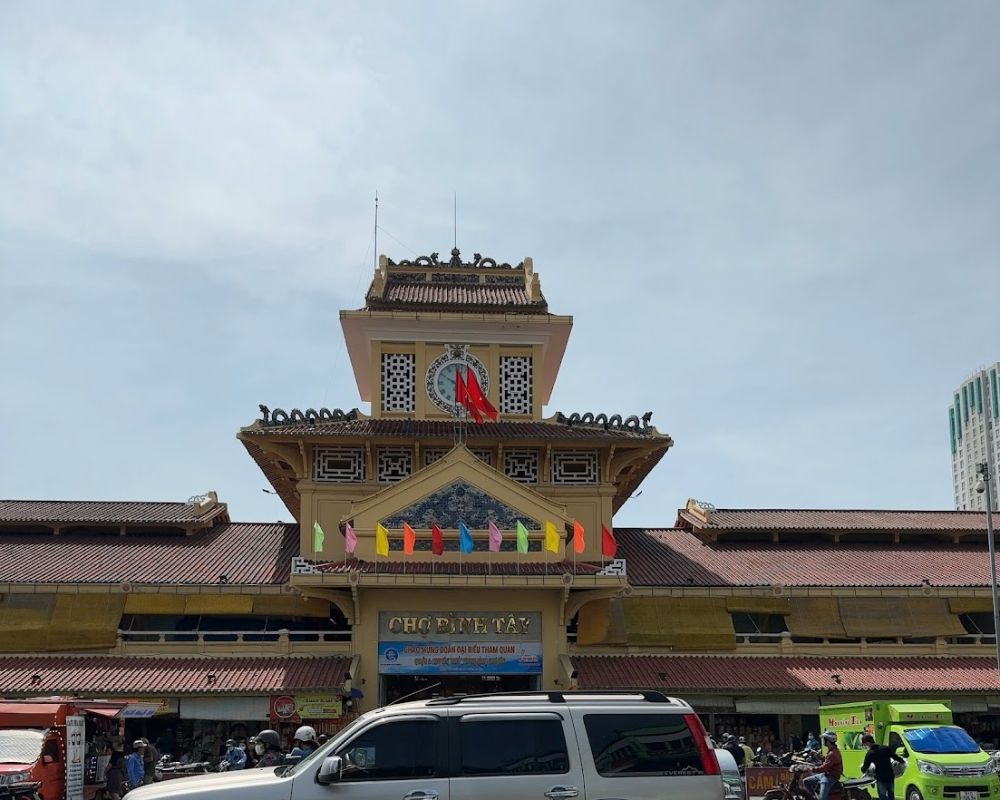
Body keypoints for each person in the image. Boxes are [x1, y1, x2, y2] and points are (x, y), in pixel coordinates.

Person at [861, 733, 904, 800]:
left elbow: (865, 767)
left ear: (868, 743)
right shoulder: (885, 748)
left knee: (882, 797)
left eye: (865, 744)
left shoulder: (870, 753)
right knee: (891, 796)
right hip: (890, 776)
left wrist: (863, 770)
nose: (865, 746)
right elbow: (896, 757)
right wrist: (903, 761)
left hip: (880, 778)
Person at [804, 731, 843, 800]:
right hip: (825, 775)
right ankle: (814, 797)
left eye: (825, 739)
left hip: (830, 778)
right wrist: (821, 757)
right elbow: (827, 762)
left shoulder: (832, 753)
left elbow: (825, 768)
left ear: (828, 740)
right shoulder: (832, 750)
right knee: (806, 781)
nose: (824, 741)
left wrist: (813, 769)